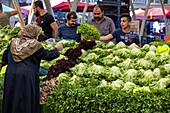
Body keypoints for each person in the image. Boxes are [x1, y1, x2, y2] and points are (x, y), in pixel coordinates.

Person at [2, 24, 63, 113]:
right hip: (27, 77)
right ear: (33, 34)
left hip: (11, 74)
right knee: (26, 99)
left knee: (12, 97)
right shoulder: (35, 45)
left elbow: (5, 56)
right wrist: (56, 49)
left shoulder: (13, 42)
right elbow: (48, 56)